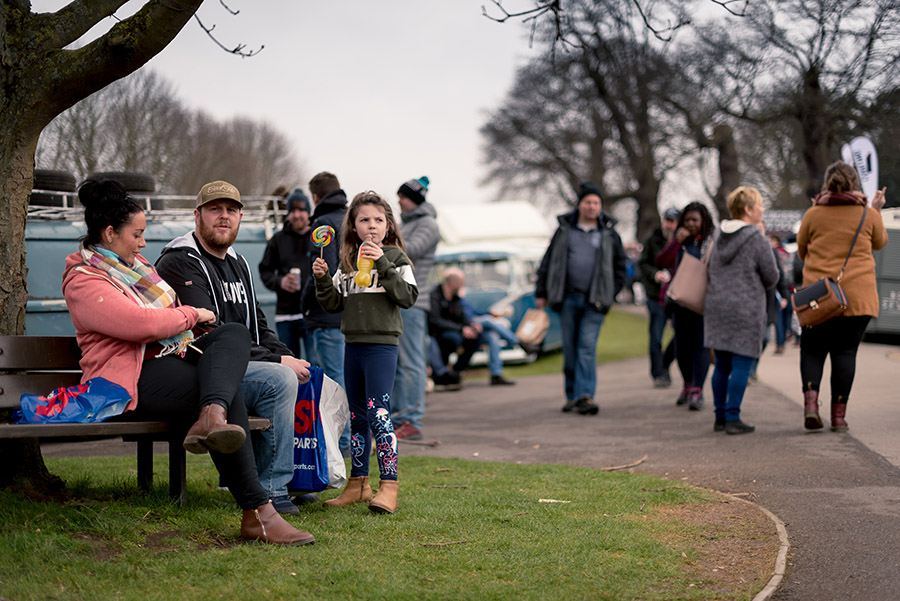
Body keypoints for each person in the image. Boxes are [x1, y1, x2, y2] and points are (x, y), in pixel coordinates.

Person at [62, 179, 312, 545]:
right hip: (127, 378)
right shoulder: (84, 279)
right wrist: (192, 315)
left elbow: (172, 316)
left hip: (168, 360)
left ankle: (212, 418)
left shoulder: (136, 267)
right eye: (137, 234)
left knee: (233, 337)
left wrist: (190, 318)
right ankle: (259, 511)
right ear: (110, 233)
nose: (143, 242)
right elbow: (139, 324)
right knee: (226, 395)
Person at [155, 180, 313, 516]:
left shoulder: (237, 262)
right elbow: (207, 334)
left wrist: (285, 353)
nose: (223, 217)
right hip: (200, 370)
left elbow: (258, 323)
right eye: (214, 209)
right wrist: (279, 362)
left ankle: (300, 476)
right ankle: (271, 488)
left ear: (241, 217)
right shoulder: (180, 261)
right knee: (278, 379)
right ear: (197, 216)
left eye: (231, 210)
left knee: (306, 374)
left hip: (240, 364)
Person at [313, 191, 418, 514]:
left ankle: (389, 485)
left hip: (381, 347)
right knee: (357, 417)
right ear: (353, 227)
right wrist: (322, 281)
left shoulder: (397, 259)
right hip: (353, 346)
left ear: (388, 227)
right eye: (364, 220)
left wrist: (383, 263)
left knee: (379, 414)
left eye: (378, 220)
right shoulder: (347, 264)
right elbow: (332, 304)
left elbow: (407, 296)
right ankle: (359, 484)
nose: (371, 225)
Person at [796, 160, 888, 432]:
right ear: (854, 183)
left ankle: (811, 407)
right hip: (857, 297)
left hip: (819, 297)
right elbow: (880, 243)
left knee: (812, 350)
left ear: (828, 183)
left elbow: (802, 252)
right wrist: (876, 210)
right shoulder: (868, 214)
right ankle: (839, 418)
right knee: (845, 353)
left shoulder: (813, 213)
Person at [535, 181, 627, 415]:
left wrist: (611, 293)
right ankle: (571, 395)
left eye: (596, 202)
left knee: (586, 347)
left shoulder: (608, 233)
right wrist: (541, 292)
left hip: (594, 301)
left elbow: (620, 266)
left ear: (601, 206)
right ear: (580, 204)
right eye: (588, 202)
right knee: (571, 349)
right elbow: (548, 262)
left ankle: (585, 396)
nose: (592, 206)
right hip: (567, 299)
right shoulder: (565, 230)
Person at [704, 187, 779, 434]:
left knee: (722, 365)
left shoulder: (717, 235)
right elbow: (771, 276)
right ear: (748, 210)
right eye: (759, 205)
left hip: (717, 305)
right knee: (741, 364)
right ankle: (733, 416)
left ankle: (719, 417)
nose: (762, 209)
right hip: (746, 308)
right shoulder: (756, 238)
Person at [301, 171, 350, 451]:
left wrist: (305, 303)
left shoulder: (323, 224)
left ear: (316, 197)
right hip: (348, 313)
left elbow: (321, 270)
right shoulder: (350, 220)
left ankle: (340, 444)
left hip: (325, 314)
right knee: (346, 378)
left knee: (331, 383)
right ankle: (351, 441)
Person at [391, 176, 440, 441]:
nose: (399, 200)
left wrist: (383, 243)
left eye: (404, 196)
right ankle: (400, 417)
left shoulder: (428, 225)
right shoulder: (406, 224)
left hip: (414, 302)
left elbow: (408, 252)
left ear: (416, 199)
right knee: (399, 363)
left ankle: (412, 420)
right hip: (399, 301)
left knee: (411, 364)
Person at [656, 201, 715, 411]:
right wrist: (675, 242)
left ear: (703, 221)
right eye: (687, 220)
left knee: (700, 345)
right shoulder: (679, 243)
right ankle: (687, 383)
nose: (690, 224)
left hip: (701, 303)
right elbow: (661, 261)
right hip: (679, 302)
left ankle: (697, 389)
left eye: (695, 220)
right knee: (681, 346)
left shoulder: (710, 243)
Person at [428, 267, 516, 387]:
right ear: (454, 283)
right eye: (461, 283)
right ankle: (517, 341)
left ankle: (457, 371)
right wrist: (461, 328)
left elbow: (463, 314)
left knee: (480, 336)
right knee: (480, 326)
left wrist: (470, 325)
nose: (462, 286)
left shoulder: (456, 298)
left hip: (457, 329)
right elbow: (435, 321)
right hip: (439, 331)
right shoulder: (435, 296)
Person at [259, 188, 315, 361]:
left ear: (308, 212)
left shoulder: (317, 238)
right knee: (290, 366)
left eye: (301, 210)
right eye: (293, 211)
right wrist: (280, 281)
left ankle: (315, 390)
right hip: (285, 315)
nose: (297, 215)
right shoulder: (278, 239)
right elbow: (265, 270)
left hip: (311, 313)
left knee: (315, 364)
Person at [638, 206, 679, 388]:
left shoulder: (681, 242)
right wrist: (655, 274)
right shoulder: (652, 240)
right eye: (666, 220)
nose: (668, 224)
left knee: (680, 335)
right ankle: (658, 374)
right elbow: (643, 264)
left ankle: (665, 363)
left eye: (672, 221)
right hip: (656, 296)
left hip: (677, 296)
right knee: (656, 336)